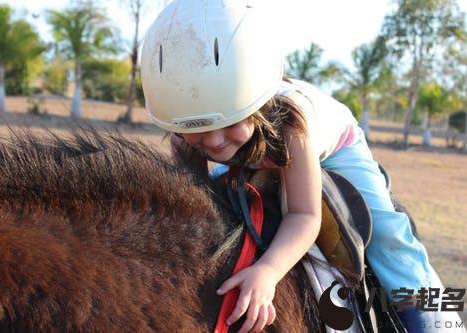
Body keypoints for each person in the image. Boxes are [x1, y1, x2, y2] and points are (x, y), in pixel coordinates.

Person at [140, 1, 459, 332]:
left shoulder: (293, 127)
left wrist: (269, 271)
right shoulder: (185, 133)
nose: (216, 142)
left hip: (336, 146)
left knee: (388, 236)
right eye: (198, 132)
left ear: (257, 104)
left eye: (230, 122)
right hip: (255, 153)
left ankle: (436, 321)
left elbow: (304, 216)